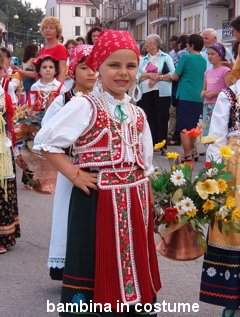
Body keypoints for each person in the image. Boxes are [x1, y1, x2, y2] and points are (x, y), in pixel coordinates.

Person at [34, 29, 161, 316]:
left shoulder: (137, 113)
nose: (123, 73)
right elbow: (46, 141)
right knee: (95, 262)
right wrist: (74, 174)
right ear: (98, 68)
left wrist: (150, 200)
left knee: (133, 263)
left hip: (135, 202)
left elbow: (146, 159)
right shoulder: (85, 105)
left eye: (130, 66)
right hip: (97, 202)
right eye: (114, 65)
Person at [42, 44, 96, 280]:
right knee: (67, 214)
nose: (91, 73)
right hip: (71, 167)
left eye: (95, 67)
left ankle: (93, 267)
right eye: (85, 68)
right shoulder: (63, 100)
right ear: (73, 71)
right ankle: (67, 267)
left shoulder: (103, 98)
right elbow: (46, 134)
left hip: (97, 168)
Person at [199, 58, 240, 317]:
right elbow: (215, 138)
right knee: (233, 229)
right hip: (235, 169)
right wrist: (213, 177)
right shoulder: (230, 94)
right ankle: (232, 298)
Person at [21, 55, 66, 194]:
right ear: (39, 70)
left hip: (54, 121)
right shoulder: (35, 86)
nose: (47, 70)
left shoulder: (60, 87)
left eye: (51, 67)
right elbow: (30, 103)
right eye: (44, 67)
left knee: (51, 149)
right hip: (37, 120)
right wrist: (29, 116)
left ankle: (52, 179)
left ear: (55, 70)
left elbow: (65, 105)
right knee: (32, 149)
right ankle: (31, 179)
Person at [137, 34, 175, 154]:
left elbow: (173, 74)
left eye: (148, 42)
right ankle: (150, 144)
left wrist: (158, 78)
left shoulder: (166, 57)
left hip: (162, 92)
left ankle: (161, 145)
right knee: (148, 118)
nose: (146, 45)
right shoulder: (142, 60)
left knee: (162, 117)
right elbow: (137, 76)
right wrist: (148, 75)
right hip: (145, 93)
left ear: (155, 44)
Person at [172, 34, 206, 162]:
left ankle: (187, 154)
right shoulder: (203, 60)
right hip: (198, 97)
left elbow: (175, 76)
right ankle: (194, 152)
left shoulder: (186, 57)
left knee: (184, 128)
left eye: (187, 44)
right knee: (193, 127)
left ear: (191, 45)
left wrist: (164, 76)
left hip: (185, 95)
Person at [0, 51, 20, 254]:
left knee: (2, 188)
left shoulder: (4, 93)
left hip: (1, 148)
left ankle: (3, 235)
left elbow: (11, 119)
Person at [12, 17, 68, 84]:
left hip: (53, 88)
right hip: (41, 88)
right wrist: (21, 71)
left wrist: (58, 90)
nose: (47, 30)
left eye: (51, 28)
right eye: (45, 27)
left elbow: (62, 71)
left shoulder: (60, 48)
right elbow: (37, 73)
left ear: (57, 31)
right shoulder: (42, 50)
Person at [201, 43, 230, 136]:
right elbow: (204, 88)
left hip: (220, 105)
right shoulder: (207, 72)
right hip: (207, 105)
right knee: (206, 130)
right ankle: (207, 150)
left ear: (220, 55)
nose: (209, 56)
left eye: (213, 54)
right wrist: (203, 93)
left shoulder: (225, 70)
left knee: (217, 130)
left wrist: (214, 94)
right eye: (208, 54)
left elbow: (229, 90)